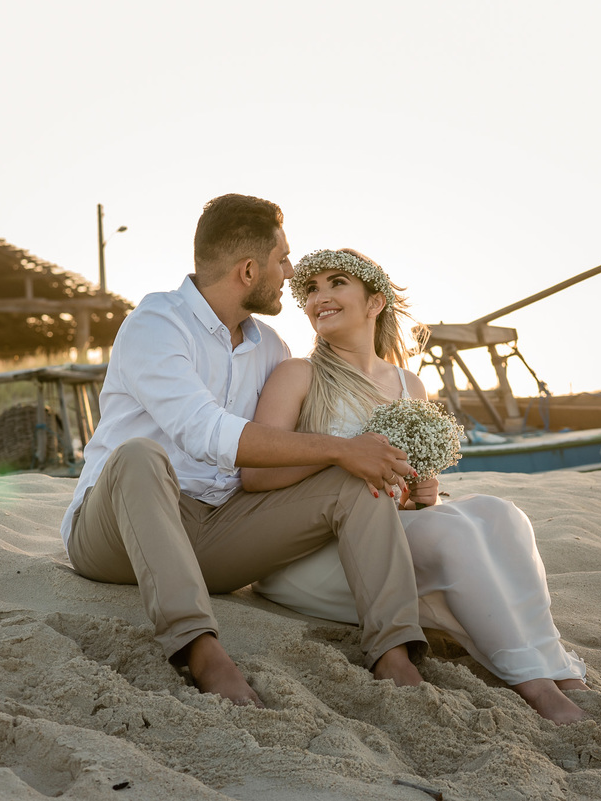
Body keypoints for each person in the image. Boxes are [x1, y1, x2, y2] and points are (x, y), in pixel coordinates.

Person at [60, 195, 429, 708]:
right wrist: (343, 447)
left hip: (220, 533)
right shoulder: (155, 323)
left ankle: (393, 651)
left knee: (351, 479)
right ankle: (201, 649)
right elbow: (205, 431)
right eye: (283, 260)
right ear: (249, 269)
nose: (291, 272)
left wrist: (385, 467)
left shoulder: (271, 347)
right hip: (117, 531)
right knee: (141, 456)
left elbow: (297, 446)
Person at [240, 248, 590, 724]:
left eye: (335, 282)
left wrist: (426, 491)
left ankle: (553, 665)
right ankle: (537, 688)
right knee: (453, 534)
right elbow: (256, 475)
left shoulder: (409, 384)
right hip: (316, 556)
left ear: (375, 302)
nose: (319, 296)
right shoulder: (298, 375)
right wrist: (345, 457)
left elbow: (417, 483)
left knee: (499, 513)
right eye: (310, 289)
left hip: (392, 537)